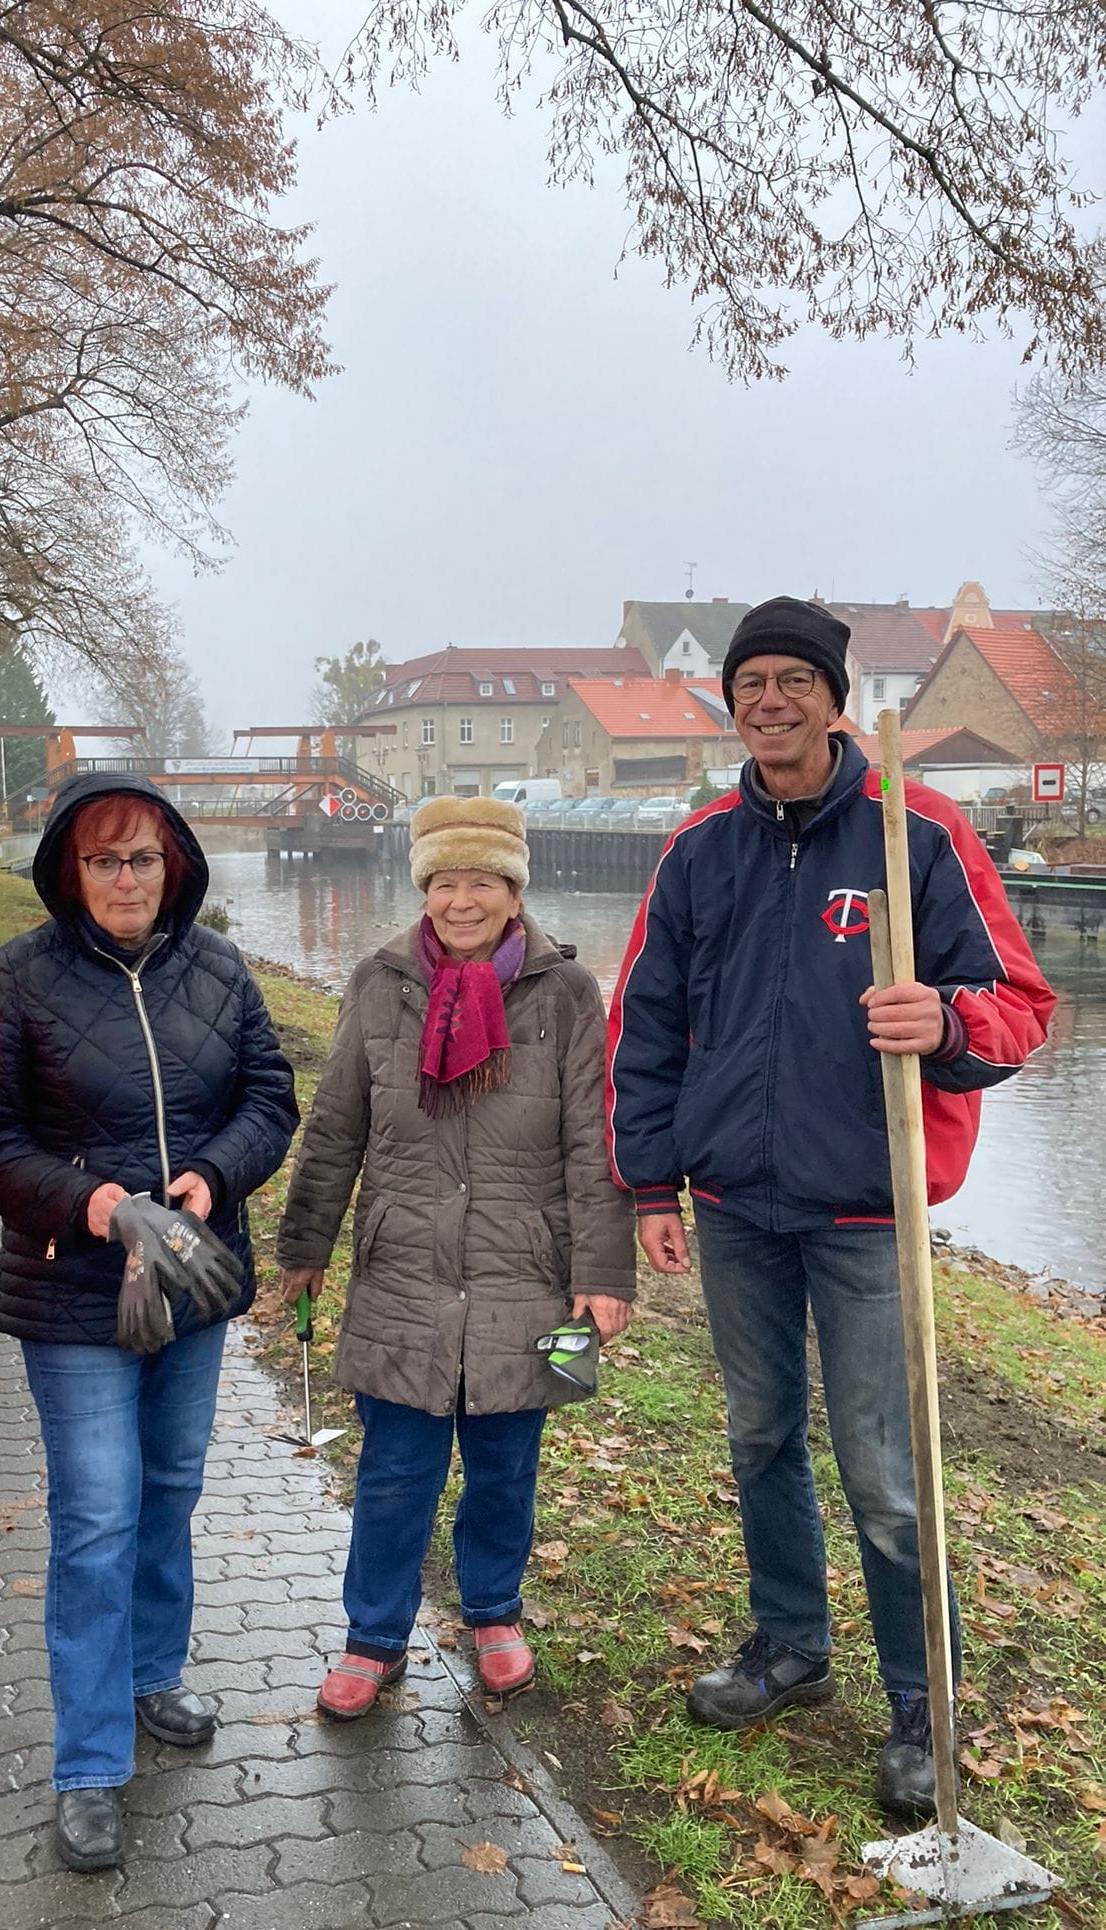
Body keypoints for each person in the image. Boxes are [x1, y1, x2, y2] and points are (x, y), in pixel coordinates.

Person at [607, 596, 1055, 1816]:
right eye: (750, 681)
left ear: (833, 696)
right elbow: (646, 1025)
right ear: (733, 701)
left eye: (793, 680)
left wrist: (949, 1021)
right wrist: (652, 1180)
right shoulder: (697, 846)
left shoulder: (917, 829)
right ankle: (791, 1645)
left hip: (866, 1205)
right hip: (736, 1204)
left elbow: (1019, 1000)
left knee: (886, 1468)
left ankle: (921, 1699)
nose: (770, 700)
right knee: (760, 1438)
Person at [0, 772, 298, 1873]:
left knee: (171, 1487)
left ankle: (153, 1673)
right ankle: (91, 1762)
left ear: (176, 863)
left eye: (142, 856)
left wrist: (210, 1178)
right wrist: (89, 1201)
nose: (125, 878)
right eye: (102, 859)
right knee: (98, 1511)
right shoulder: (18, 979)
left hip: (191, 1280)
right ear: (66, 869)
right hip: (75, 1292)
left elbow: (270, 1098)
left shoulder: (222, 967)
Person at [277, 796, 636, 1719]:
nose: (462, 901)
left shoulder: (564, 994)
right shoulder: (378, 983)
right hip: (403, 1272)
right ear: (422, 888)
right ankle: (374, 1637)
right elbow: (336, 1126)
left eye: (482, 881)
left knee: (507, 1465)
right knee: (395, 1470)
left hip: (530, 1277)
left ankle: (493, 1614)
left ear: (513, 892)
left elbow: (595, 1143)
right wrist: (306, 1244)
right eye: (444, 881)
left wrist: (602, 1273)